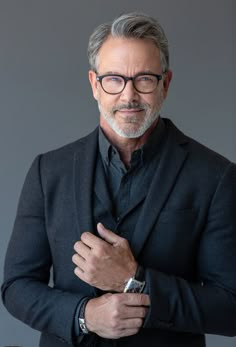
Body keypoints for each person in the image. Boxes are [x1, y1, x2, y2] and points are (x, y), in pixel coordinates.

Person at [1, 11, 236, 347]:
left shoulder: (215, 176)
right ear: (95, 85)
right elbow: (16, 287)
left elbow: (230, 307)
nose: (128, 97)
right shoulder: (47, 171)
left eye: (144, 79)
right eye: (114, 79)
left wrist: (134, 280)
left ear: (165, 84)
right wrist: (84, 315)